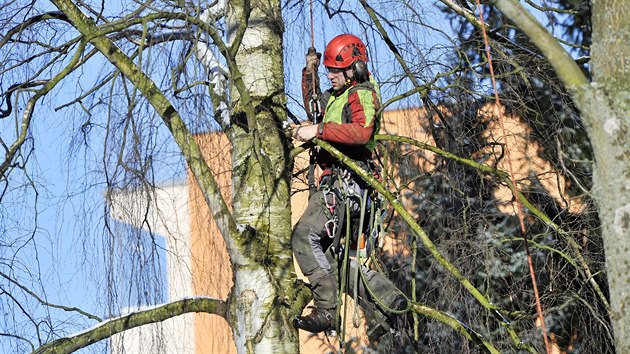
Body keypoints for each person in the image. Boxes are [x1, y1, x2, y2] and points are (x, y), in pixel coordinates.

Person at [291, 34, 407, 341]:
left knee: (305, 237)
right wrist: (310, 73)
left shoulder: (362, 94)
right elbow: (318, 106)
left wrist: (317, 130)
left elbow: (359, 131)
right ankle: (387, 305)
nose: (330, 75)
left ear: (353, 69)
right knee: (337, 262)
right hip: (343, 189)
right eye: (328, 70)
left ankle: (326, 310)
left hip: (347, 186)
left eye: (335, 70)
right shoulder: (339, 95)